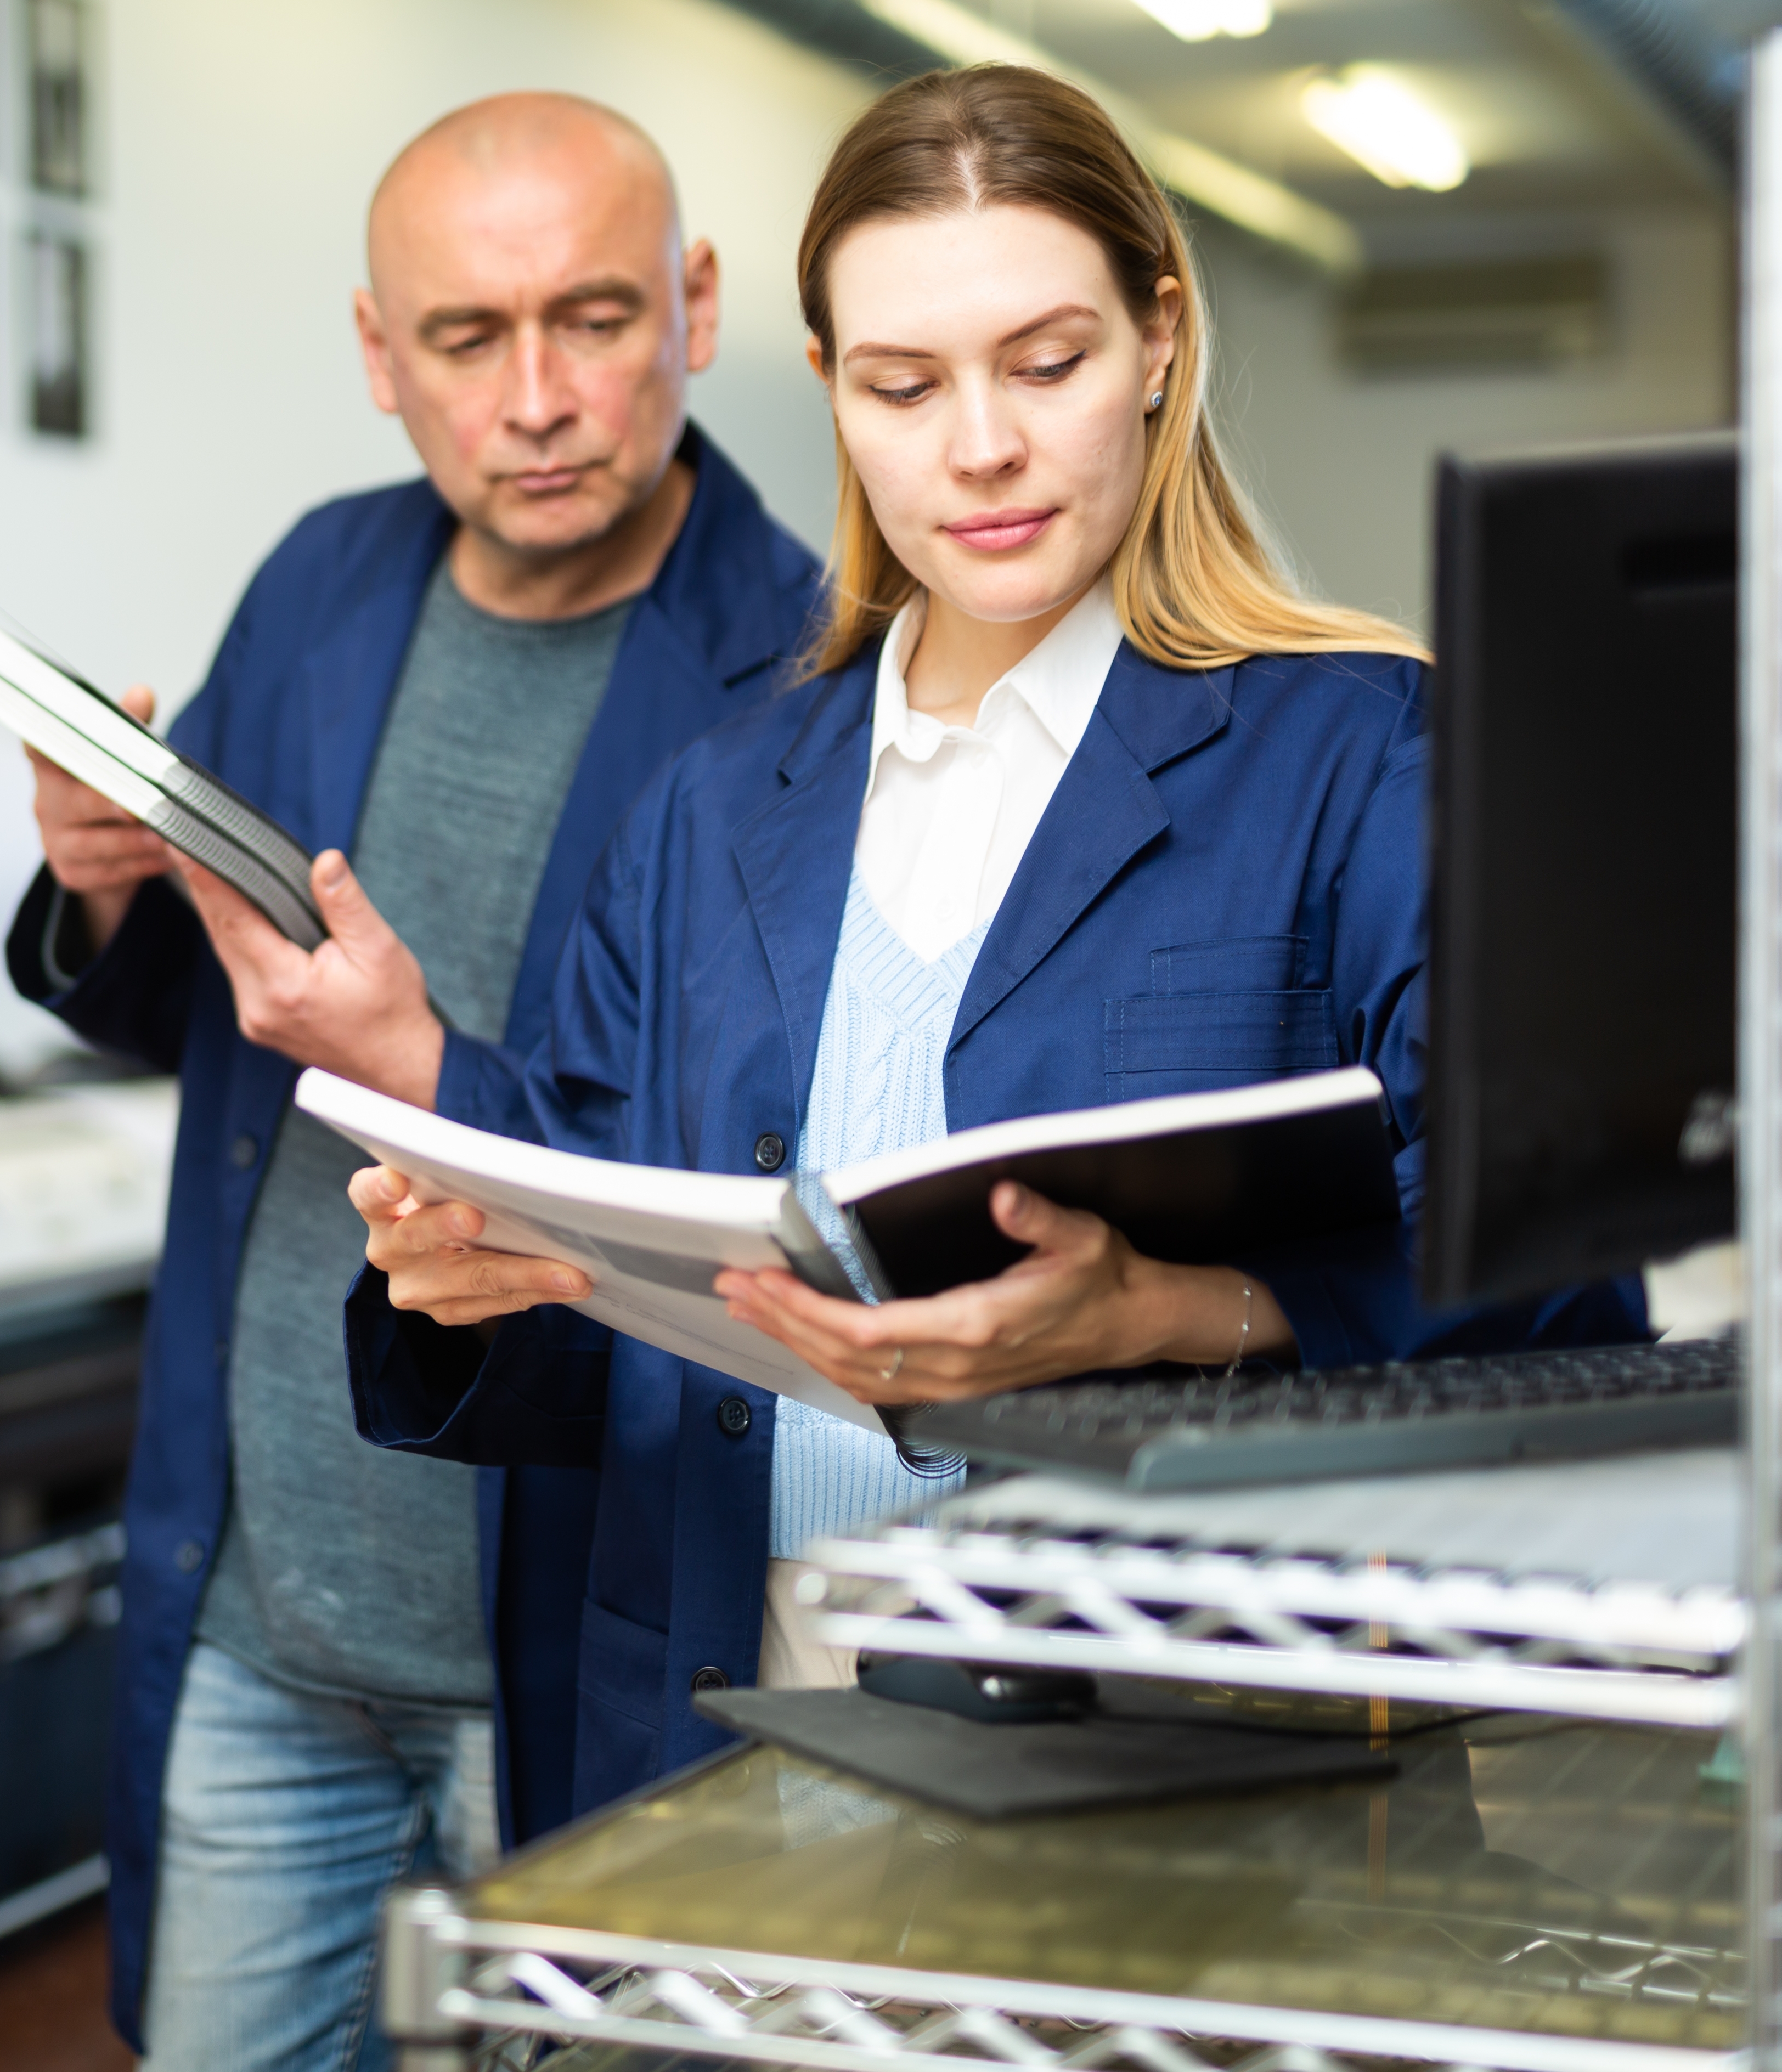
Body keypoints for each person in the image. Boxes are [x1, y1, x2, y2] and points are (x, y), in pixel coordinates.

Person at [346, 64, 1646, 1816]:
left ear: (1158, 338)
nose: (978, 447)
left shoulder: (1366, 754)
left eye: (1046, 363)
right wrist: (463, 1288)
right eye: (901, 384)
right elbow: (640, 1310)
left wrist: (1183, 1309)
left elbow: (1558, 1302)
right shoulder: (712, 805)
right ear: (828, 390)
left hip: (1178, 1798)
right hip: (717, 1767)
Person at [5, 94, 819, 2067]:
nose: (535, 397)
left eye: (593, 318)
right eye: (466, 338)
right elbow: (206, 1019)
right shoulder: (319, 589)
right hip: (263, 1615)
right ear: (384, 358)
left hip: (577, 1646)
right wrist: (98, 886)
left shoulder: (813, 662)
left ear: (694, 309)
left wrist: (429, 1066)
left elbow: (757, 1179)